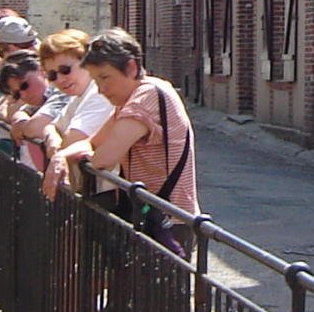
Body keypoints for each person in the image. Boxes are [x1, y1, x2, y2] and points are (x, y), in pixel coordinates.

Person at [44, 28, 199, 220]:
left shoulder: (146, 97)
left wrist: (75, 156)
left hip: (169, 218)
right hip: (149, 211)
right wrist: (61, 157)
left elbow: (104, 157)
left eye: (105, 78)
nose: (100, 90)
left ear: (131, 67)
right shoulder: (128, 100)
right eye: (95, 80)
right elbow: (92, 143)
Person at [1, 29, 114, 173]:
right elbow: (51, 127)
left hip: (106, 189)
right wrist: (53, 139)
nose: (60, 79)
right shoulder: (77, 96)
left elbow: (72, 140)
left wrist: (55, 144)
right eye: (52, 75)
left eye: (65, 70)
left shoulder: (99, 95)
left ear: (86, 61)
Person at [0, 14, 41, 156]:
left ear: (11, 48)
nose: (0, 57)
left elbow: (12, 114)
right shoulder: (38, 58)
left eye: (0, 52)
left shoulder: (33, 73)